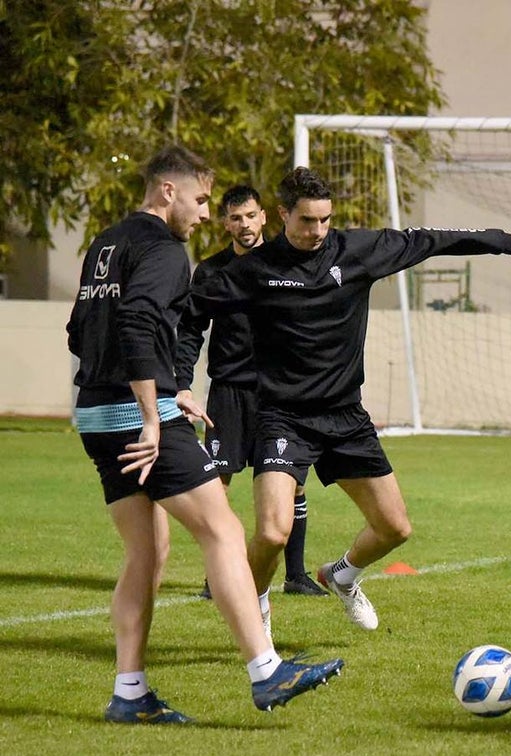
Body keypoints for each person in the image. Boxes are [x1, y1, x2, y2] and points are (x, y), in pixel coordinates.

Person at [177, 166, 511, 636]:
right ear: (282, 215)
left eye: (325, 220)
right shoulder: (253, 270)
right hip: (283, 418)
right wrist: (178, 380)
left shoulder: (356, 251)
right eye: (306, 221)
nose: (317, 231)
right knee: (273, 532)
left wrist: (506, 241)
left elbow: (430, 240)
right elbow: (192, 314)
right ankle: (256, 618)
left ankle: (342, 575)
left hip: (345, 416)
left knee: (394, 529)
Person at [66, 146, 343, 724]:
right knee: (222, 530)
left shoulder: (106, 243)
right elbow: (140, 321)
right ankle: (267, 670)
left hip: (94, 413)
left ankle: (130, 692)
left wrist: (169, 385)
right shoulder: (166, 251)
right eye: (199, 199)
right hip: (136, 418)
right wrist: (151, 408)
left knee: (148, 551)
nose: (203, 212)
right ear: (167, 191)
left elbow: (79, 331)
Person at [179, 185, 326, 600]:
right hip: (228, 392)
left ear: (265, 217)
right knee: (217, 486)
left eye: (250, 216)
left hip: (279, 393)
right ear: (226, 222)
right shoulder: (211, 272)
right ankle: (218, 576)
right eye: (235, 218)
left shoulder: (288, 265)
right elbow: (191, 329)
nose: (243, 225)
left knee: (293, 482)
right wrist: (183, 382)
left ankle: (295, 575)